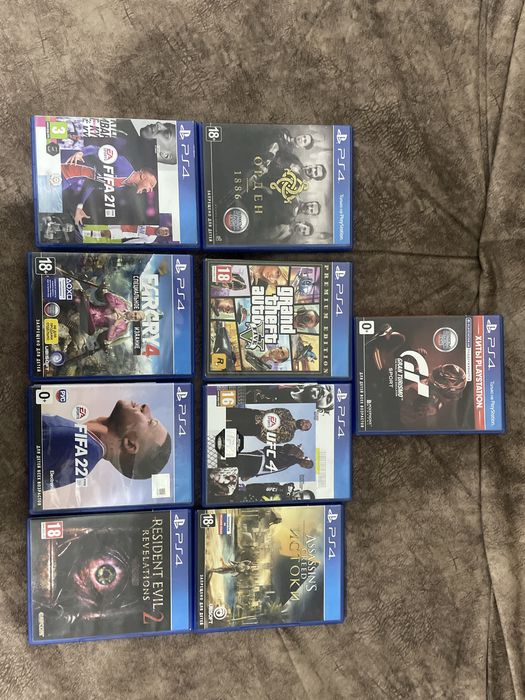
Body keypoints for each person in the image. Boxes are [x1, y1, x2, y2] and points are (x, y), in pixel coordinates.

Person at [41, 399, 171, 490]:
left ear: (130, 445)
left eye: (150, 422)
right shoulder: (84, 453)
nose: (146, 408)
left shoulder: (78, 444)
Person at [61, 147, 157, 227]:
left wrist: (80, 206)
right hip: (65, 162)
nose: (150, 190)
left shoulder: (121, 186)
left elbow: (92, 184)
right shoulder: (124, 165)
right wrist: (81, 153)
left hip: (68, 179)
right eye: (151, 184)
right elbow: (96, 149)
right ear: (143, 176)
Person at [225, 443, 314, 482]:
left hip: (255, 470)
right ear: (307, 458)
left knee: (228, 473)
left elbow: (272, 470)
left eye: (306, 466)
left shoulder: (292, 463)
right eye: (307, 462)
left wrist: (252, 475)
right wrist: (293, 450)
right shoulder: (296, 454)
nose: (305, 465)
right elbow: (285, 448)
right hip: (259, 458)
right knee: (230, 460)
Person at [226, 406, 312, 443]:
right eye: (305, 421)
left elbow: (272, 440)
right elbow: (271, 411)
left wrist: (258, 432)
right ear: (303, 419)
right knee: (229, 413)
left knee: (228, 428)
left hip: (255, 429)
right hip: (253, 415)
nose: (304, 423)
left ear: (303, 430)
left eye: (306, 426)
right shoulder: (287, 412)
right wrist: (260, 416)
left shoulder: (289, 436)